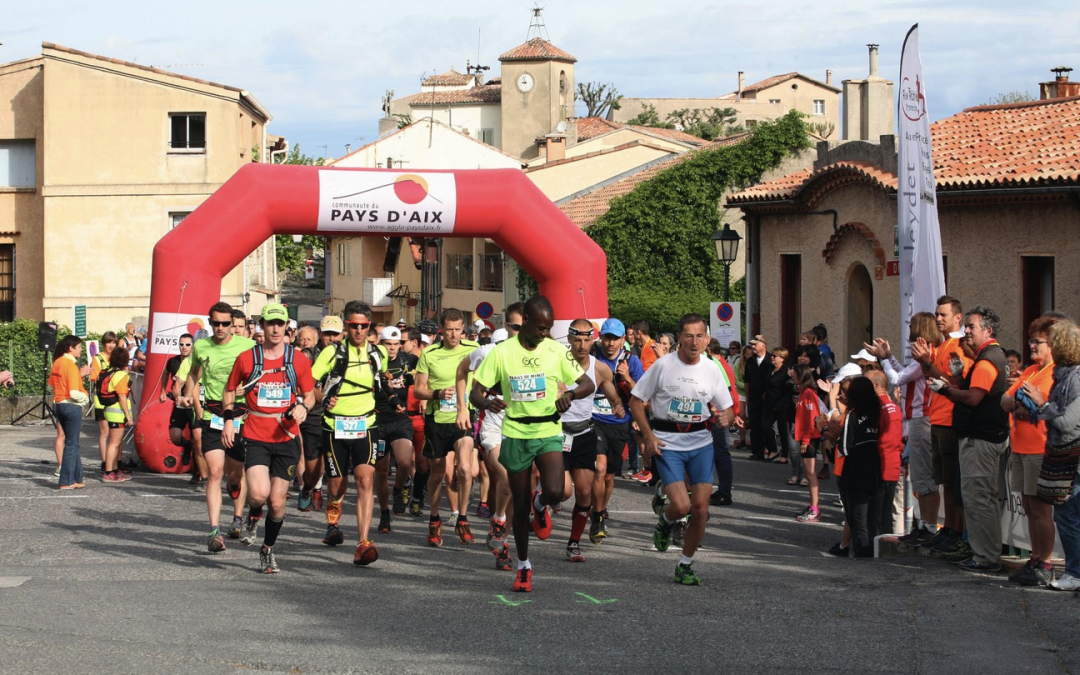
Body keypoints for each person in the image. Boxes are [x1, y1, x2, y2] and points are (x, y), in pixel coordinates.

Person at [470, 296, 594, 592]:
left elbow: (587, 383)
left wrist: (571, 396)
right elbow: (476, 392)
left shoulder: (555, 350)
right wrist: (488, 401)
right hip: (514, 432)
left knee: (555, 491)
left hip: (548, 430)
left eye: (548, 328)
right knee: (519, 501)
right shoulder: (501, 353)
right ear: (524, 320)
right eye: (540, 327)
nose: (544, 333)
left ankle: (542, 505)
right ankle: (524, 566)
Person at [632, 313, 735, 585]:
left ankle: (684, 565)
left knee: (700, 510)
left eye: (699, 336)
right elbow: (635, 401)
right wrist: (649, 435)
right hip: (668, 442)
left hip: (701, 442)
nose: (694, 341)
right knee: (681, 505)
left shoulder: (712, 368)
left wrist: (727, 416)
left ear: (707, 339)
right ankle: (666, 520)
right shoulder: (663, 365)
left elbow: (727, 406)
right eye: (688, 335)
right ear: (679, 338)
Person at [222, 303, 315, 573]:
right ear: (262, 325)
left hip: (285, 436)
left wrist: (303, 407)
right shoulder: (247, 359)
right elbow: (229, 392)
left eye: (280, 323)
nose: (275, 328)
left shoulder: (297, 359)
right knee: (258, 495)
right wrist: (229, 420)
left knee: (276, 502)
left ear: (287, 327)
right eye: (270, 323)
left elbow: (309, 394)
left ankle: (268, 549)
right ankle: (252, 516)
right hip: (255, 434)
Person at [928, 305, 1009, 571]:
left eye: (971, 326)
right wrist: (958, 378)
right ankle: (986, 554)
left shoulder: (987, 360)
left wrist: (946, 390)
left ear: (988, 330)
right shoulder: (992, 356)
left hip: (980, 439)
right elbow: (973, 391)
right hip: (985, 436)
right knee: (982, 498)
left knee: (977, 499)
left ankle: (985, 557)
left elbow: (974, 398)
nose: (967, 332)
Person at [310, 300, 388, 562]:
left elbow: (385, 380)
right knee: (337, 487)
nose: (358, 331)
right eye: (353, 326)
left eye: (363, 326)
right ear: (346, 326)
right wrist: (323, 398)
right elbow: (309, 385)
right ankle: (333, 516)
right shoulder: (331, 353)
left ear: (369, 326)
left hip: (366, 424)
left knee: (365, 478)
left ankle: (363, 542)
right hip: (335, 425)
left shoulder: (378, 354)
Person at [180, 301, 257, 552]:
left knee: (236, 475)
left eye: (226, 323)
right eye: (216, 323)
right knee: (214, 472)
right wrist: (188, 392)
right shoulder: (201, 346)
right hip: (213, 413)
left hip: (240, 413)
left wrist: (249, 386)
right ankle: (214, 532)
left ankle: (236, 514)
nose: (221, 327)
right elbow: (193, 373)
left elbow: (261, 374)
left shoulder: (247, 346)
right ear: (210, 322)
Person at [457, 302, 523, 570]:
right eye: (516, 327)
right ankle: (498, 523)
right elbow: (463, 372)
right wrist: (466, 407)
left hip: (523, 428)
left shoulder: (538, 353)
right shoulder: (487, 351)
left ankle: (502, 538)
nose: (521, 332)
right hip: (494, 425)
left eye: (525, 327)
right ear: (507, 326)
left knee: (517, 490)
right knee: (506, 476)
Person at [868, 312, 942, 546]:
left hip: (923, 418)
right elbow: (907, 374)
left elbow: (897, 379)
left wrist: (884, 360)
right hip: (919, 418)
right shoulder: (924, 357)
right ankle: (926, 524)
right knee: (921, 477)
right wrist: (889, 356)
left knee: (923, 476)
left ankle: (929, 525)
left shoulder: (927, 355)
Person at [1001, 315, 1059, 586]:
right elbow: (1005, 401)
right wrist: (1023, 407)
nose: (1032, 345)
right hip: (1021, 445)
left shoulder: (1055, 372)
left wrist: (1026, 407)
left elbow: (1044, 408)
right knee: (1027, 504)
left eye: (1038, 341)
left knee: (1040, 507)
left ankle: (1044, 562)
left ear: (1052, 344)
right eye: (1031, 340)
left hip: (1040, 447)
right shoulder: (1029, 371)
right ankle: (1034, 558)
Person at [561, 318, 624, 562]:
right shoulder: (557, 363)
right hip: (557, 432)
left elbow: (612, 395)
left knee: (585, 492)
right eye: (577, 340)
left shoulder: (599, 368)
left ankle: (574, 543)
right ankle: (539, 502)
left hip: (583, 432)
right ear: (569, 339)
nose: (582, 345)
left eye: (587, 340)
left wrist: (618, 406)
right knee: (563, 492)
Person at [912, 296, 971, 556]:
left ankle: (956, 531)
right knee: (944, 480)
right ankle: (948, 528)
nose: (938, 319)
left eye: (943, 315)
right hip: (936, 418)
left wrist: (927, 364)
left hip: (950, 420)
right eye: (937, 314)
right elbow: (931, 377)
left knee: (952, 480)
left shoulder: (958, 346)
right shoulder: (944, 345)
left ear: (957, 317)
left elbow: (955, 382)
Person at [415, 308, 480, 546]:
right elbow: (418, 389)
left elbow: (489, 376)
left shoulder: (474, 350)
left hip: (463, 416)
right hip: (436, 419)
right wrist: (438, 393)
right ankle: (434, 519)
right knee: (438, 473)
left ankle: (462, 519)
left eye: (458, 329)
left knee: (465, 468)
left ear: (464, 328)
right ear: (441, 330)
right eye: (449, 330)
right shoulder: (430, 353)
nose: (454, 335)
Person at [1026, 319, 1080, 591]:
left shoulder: (1077, 378)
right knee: (1067, 515)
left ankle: (1074, 572)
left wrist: (1041, 403)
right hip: (1063, 455)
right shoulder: (1063, 375)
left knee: (1068, 516)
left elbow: (1067, 423)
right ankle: (1074, 571)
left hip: (1073, 458)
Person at [589, 318, 644, 542]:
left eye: (615, 338)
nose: (610, 343)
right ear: (601, 337)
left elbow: (642, 394)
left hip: (619, 423)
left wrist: (627, 377)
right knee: (599, 469)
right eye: (607, 337)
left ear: (623, 340)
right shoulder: (591, 357)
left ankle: (601, 509)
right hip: (594, 420)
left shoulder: (632, 361)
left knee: (610, 476)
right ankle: (597, 517)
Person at [373, 326, 417, 533]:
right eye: (387, 344)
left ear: (401, 344)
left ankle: (399, 489)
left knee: (405, 463)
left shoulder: (409, 361)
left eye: (395, 344)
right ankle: (384, 513)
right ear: (381, 344)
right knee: (381, 471)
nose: (392, 348)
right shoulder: (372, 362)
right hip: (378, 421)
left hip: (400, 420)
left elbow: (418, 383)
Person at [836, 376, 882, 558]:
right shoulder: (876, 413)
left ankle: (862, 550)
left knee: (857, 514)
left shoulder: (852, 415)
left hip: (855, 468)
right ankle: (872, 548)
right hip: (874, 464)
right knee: (872, 513)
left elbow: (845, 446)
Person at [50, 335, 90, 490]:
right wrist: (86, 398)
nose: (80, 349)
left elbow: (53, 384)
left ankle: (78, 478)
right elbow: (74, 392)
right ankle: (66, 481)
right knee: (72, 444)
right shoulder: (70, 365)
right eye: (79, 347)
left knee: (73, 443)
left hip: (59, 404)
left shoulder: (57, 362)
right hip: (71, 405)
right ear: (71, 348)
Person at [867, 370, 903, 535]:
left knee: (875, 516)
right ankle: (884, 549)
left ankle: (874, 551)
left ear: (875, 385)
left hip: (880, 465)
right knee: (886, 514)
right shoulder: (894, 407)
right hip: (893, 466)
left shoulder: (876, 408)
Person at [295, 325, 327, 513]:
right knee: (303, 454)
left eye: (309, 339)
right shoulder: (300, 356)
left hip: (324, 414)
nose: (305, 342)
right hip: (301, 412)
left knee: (320, 460)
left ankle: (315, 486)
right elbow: (300, 386)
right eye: (302, 339)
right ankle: (304, 488)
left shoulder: (333, 357)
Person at [706, 339, 740, 506]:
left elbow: (728, 390)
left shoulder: (715, 364)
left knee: (721, 454)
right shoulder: (715, 363)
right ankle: (721, 490)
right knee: (715, 454)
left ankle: (725, 493)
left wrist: (732, 413)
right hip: (713, 415)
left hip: (717, 416)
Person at [98, 348, 135, 482]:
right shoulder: (120, 375)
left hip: (109, 409)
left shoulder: (110, 372)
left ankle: (113, 470)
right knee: (114, 443)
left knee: (117, 442)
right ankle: (109, 472)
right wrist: (129, 417)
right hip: (116, 412)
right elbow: (122, 396)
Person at [792, 365, 822, 513]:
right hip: (806, 437)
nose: (792, 378)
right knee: (809, 473)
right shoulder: (804, 392)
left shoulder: (809, 394)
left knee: (810, 473)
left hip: (810, 438)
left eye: (794, 375)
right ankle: (813, 505)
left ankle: (815, 508)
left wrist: (805, 440)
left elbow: (812, 418)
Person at [91, 331, 118, 473]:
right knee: (105, 432)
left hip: (114, 400)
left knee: (116, 432)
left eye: (114, 342)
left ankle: (115, 462)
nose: (111, 345)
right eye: (109, 342)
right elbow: (93, 378)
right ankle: (104, 461)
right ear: (104, 343)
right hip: (102, 399)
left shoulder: (116, 358)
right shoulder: (98, 359)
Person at [762, 347, 795, 463]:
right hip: (769, 404)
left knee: (782, 430)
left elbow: (787, 388)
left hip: (782, 404)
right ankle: (773, 450)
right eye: (772, 355)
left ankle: (784, 455)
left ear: (782, 358)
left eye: (775, 356)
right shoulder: (770, 369)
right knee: (765, 426)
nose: (772, 357)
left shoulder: (786, 371)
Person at [744, 335, 771, 461]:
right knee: (754, 426)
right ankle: (757, 452)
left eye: (755, 344)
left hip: (768, 399)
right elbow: (747, 381)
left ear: (763, 345)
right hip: (754, 398)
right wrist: (748, 397)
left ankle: (771, 450)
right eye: (752, 345)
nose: (753, 347)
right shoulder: (750, 361)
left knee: (766, 426)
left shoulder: (771, 360)